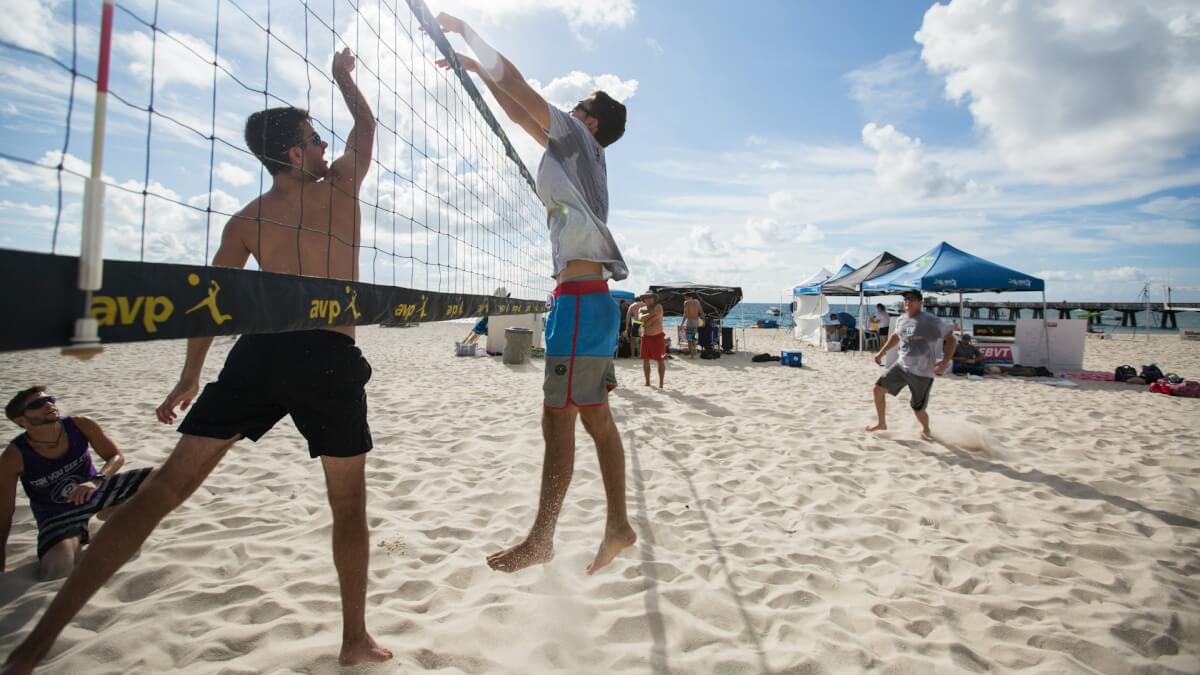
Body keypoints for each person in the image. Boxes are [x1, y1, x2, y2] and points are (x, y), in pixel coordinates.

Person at [2, 49, 393, 674]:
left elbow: (210, 305)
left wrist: (191, 376)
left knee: (160, 495)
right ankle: (354, 640)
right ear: (295, 154)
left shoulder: (245, 220)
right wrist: (346, 78)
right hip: (326, 355)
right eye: (315, 140)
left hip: (258, 354)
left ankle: (33, 646)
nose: (325, 148)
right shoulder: (340, 188)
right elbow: (367, 129)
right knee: (348, 510)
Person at [433, 13, 636, 576]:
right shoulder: (575, 151)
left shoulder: (575, 140)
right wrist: (479, 74)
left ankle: (544, 537)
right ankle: (615, 524)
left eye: (576, 106)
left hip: (579, 305)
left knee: (559, 423)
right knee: (591, 420)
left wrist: (470, 35)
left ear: (588, 121)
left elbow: (521, 89)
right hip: (584, 302)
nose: (566, 110)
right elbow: (518, 108)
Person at [1, 387, 153, 581]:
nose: (48, 404)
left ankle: (108, 513)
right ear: (21, 420)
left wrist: (96, 480)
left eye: (50, 399)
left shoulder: (80, 425)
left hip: (95, 492)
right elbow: (5, 512)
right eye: (37, 404)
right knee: (57, 567)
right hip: (57, 514)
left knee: (160, 475)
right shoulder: (14, 457)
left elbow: (116, 456)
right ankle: (83, 532)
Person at [867, 290, 957, 438]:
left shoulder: (930, 320)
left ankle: (926, 430)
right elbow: (896, 336)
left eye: (912, 299)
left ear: (921, 302)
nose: (908, 301)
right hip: (901, 366)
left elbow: (951, 339)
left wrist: (945, 362)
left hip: (922, 372)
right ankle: (881, 423)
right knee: (878, 389)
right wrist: (881, 352)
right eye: (906, 299)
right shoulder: (901, 319)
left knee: (917, 409)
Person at [638, 292, 667, 387]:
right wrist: (651, 317)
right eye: (646, 298)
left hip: (657, 336)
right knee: (645, 359)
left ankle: (661, 383)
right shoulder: (641, 309)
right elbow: (640, 318)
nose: (648, 299)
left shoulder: (658, 306)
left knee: (660, 360)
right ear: (644, 299)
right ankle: (647, 382)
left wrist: (648, 321)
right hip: (645, 337)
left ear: (654, 298)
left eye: (650, 297)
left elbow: (657, 314)